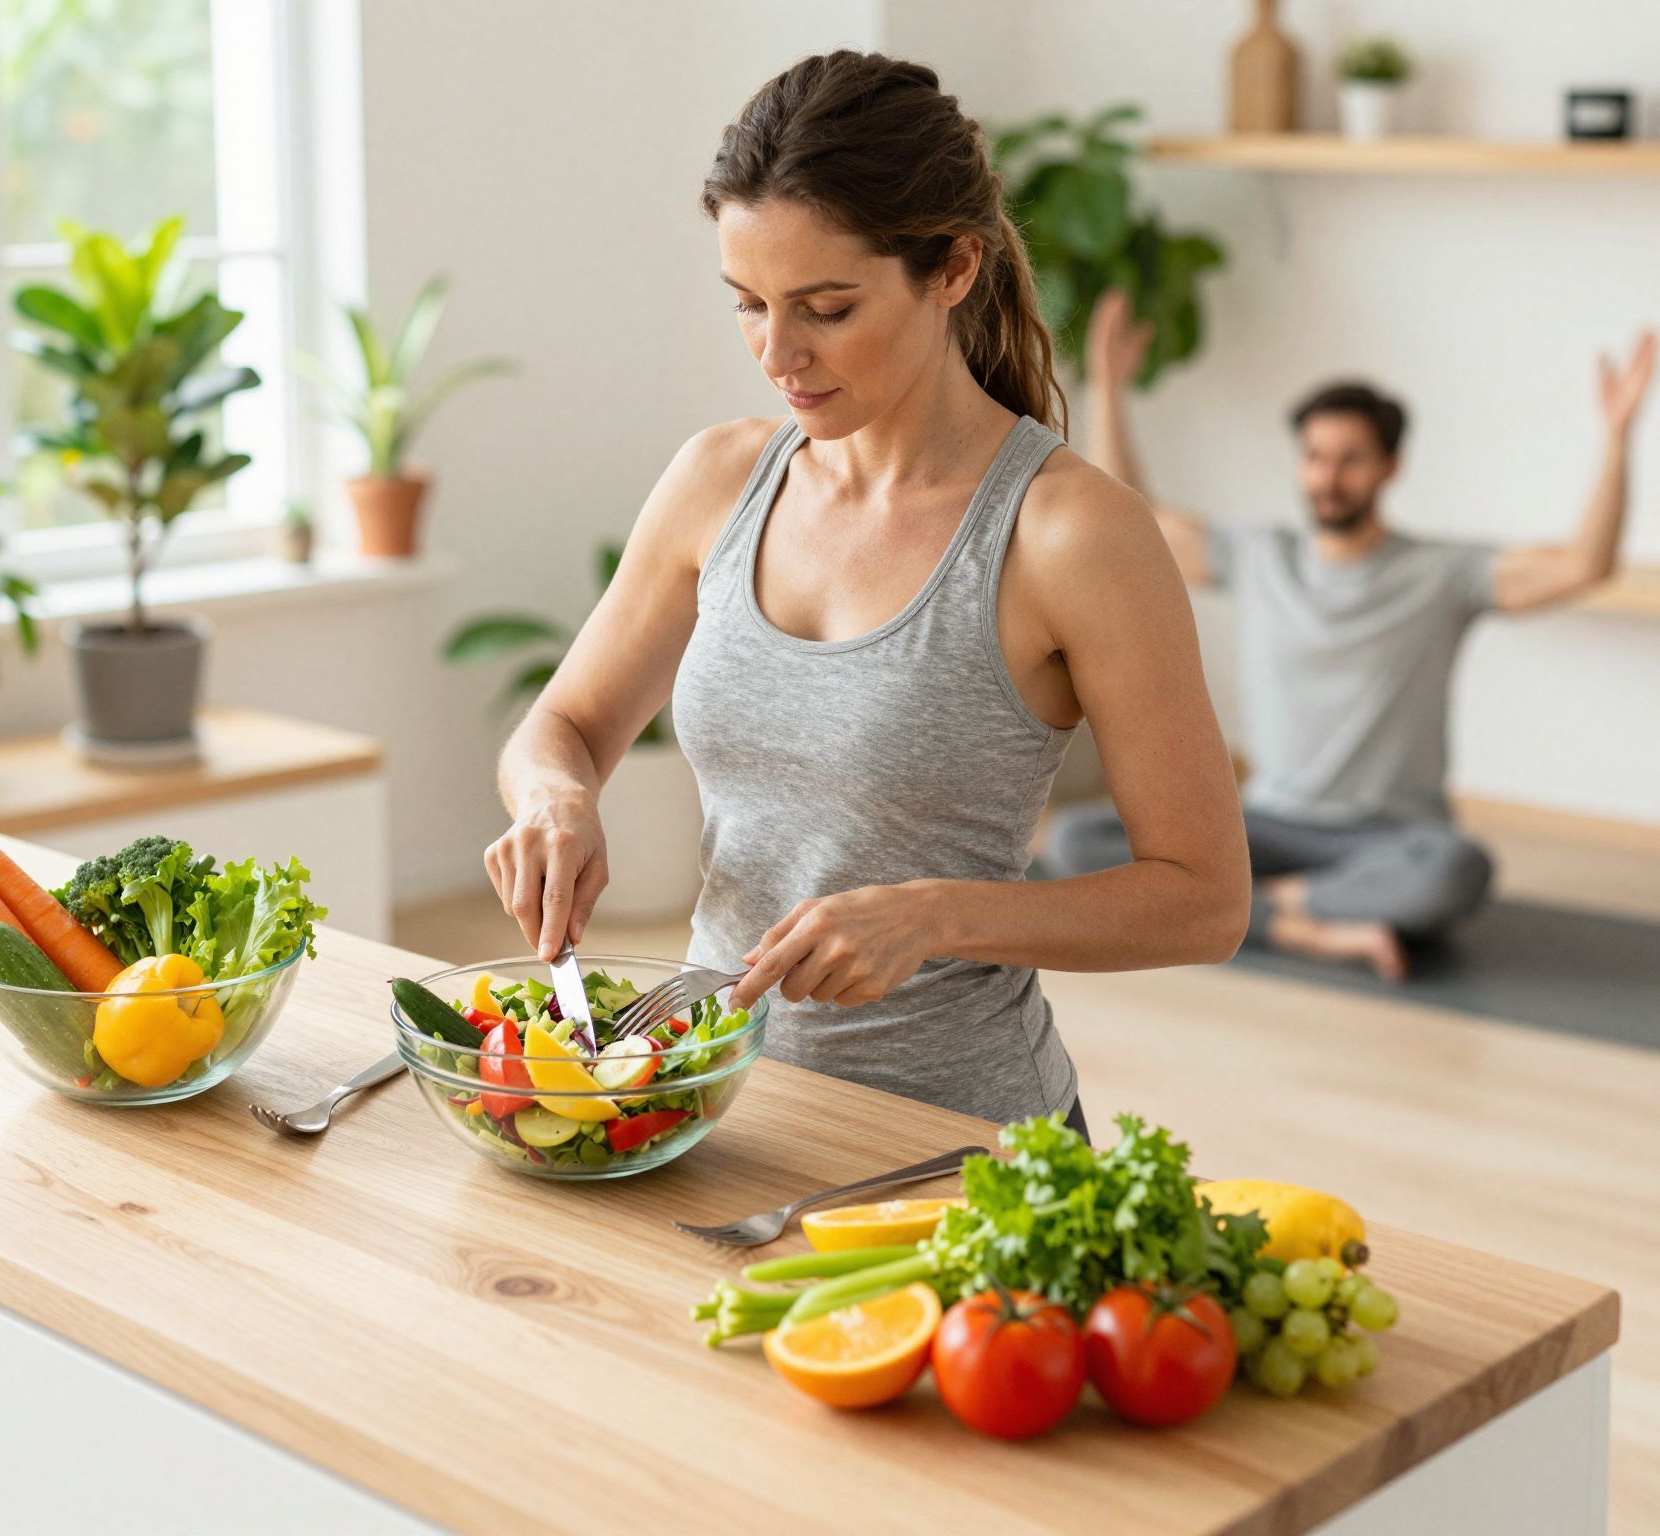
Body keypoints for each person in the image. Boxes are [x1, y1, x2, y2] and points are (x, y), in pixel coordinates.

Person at [481, 53, 1250, 1129]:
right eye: (746, 304)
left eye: (825, 308)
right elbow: (560, 724)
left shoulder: (1067, 533)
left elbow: (1203, 899)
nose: (776, 354)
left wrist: (934, 915)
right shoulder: (718, 480)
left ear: (952, 269)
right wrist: (557, 798)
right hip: (714, 1101)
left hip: (956, 1138)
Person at [1044, 290, 1659, 981]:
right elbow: (1133, 520)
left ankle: (1249, 911)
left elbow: (1584, 565)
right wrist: (1109, 387)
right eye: (1315, 457)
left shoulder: (1441, 575)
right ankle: (1313, 925)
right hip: (1265, 825)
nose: (1327, 478)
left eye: (1350, 460)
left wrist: (1617, 439)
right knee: (1075, 839)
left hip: (1388, 839)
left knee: (1458, 869)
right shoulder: (1259, 556)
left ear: (1390, 468)